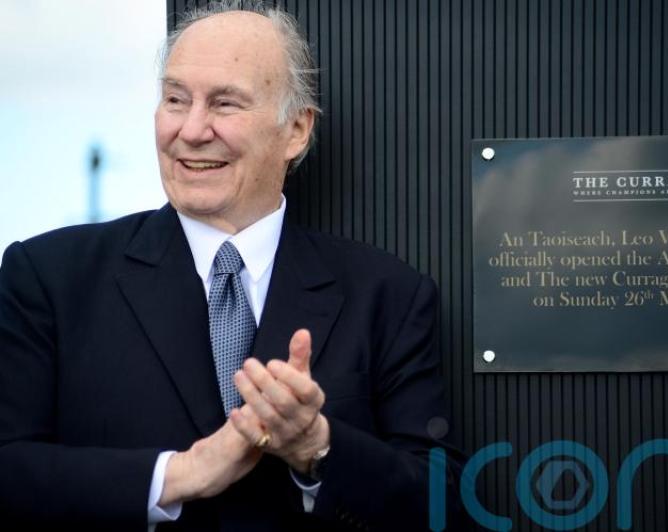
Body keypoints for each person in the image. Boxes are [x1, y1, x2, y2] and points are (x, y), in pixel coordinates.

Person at [0, 2, 462, 530]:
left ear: (296, 130)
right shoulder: (46, 278)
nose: (192, 130)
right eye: (176, 99)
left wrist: (319, 447)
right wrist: (174, 476)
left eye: (224, 104)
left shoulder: (389, 296)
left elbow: (441, 504)